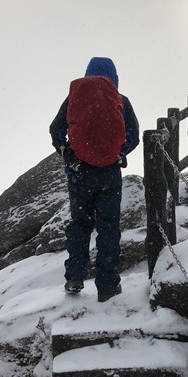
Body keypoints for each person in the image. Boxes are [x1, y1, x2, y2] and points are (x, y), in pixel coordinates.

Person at [49, 57, 140, 302]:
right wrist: (119, 151)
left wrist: (67, 152)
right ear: (115, 77)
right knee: (108, 226)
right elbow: (134, 135)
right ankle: (108, 286)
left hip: (80, 173)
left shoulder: (74, 99)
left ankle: (75, 277)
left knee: (80, 224)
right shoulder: (121, 101)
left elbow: (55, 129)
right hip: (109, 173)